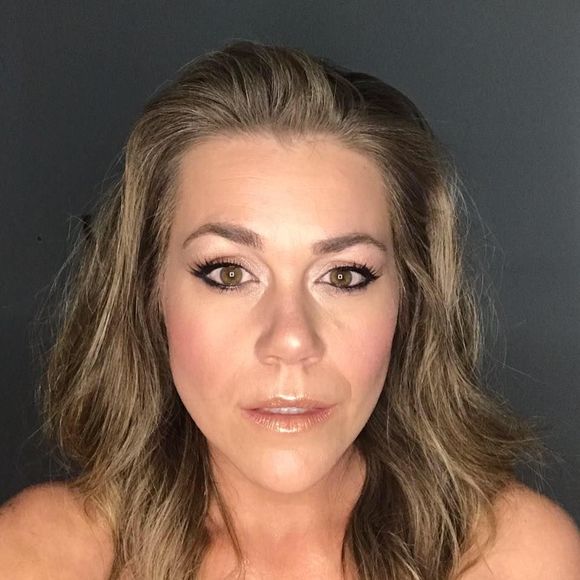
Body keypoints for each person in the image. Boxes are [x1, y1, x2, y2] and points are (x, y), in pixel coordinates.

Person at [1, 40, 578, 580]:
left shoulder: (515, 557)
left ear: (411, 300)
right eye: (229, 273)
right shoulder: (38, 557)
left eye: (344, 276)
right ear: (148, 292)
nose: (292, 340)